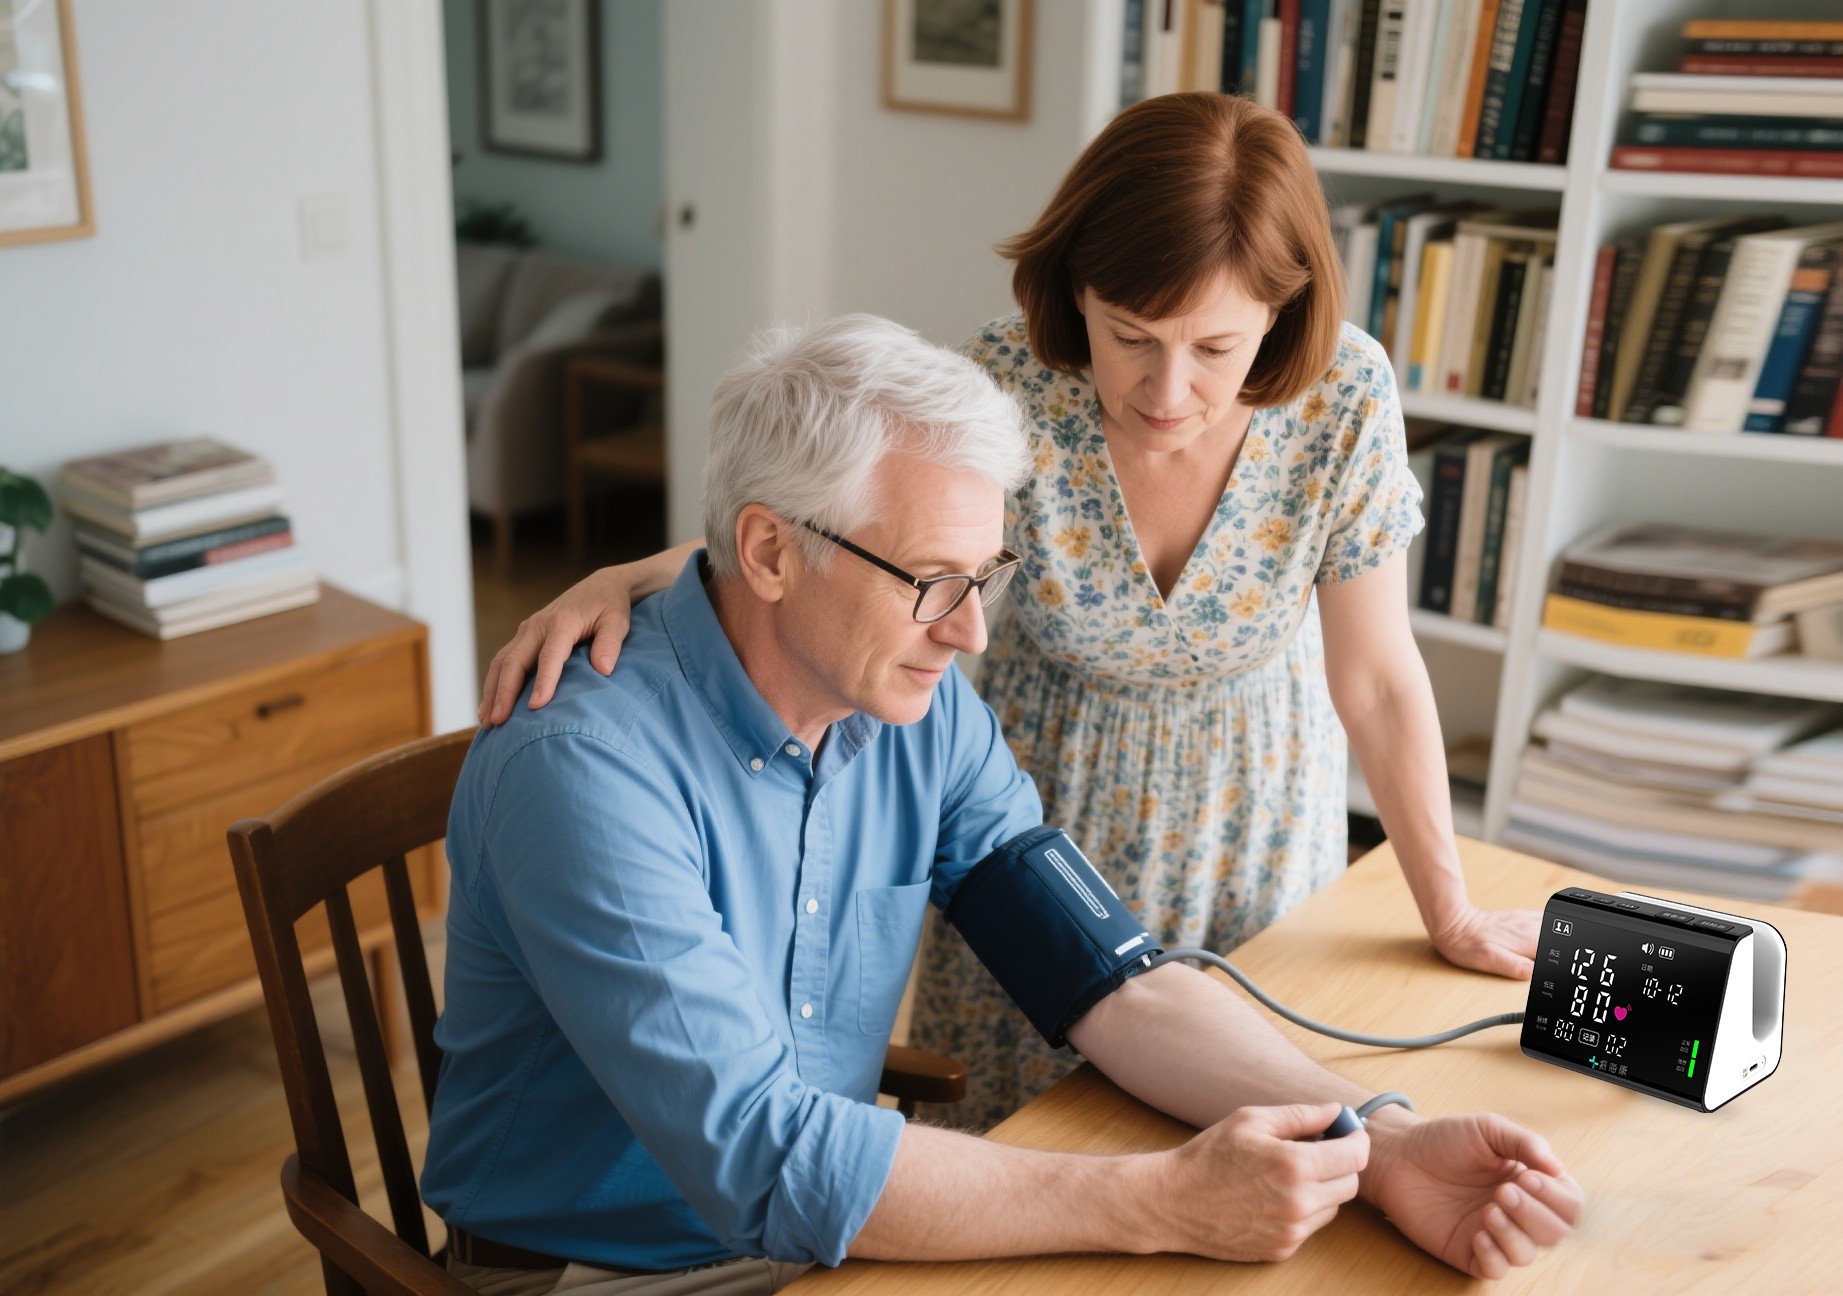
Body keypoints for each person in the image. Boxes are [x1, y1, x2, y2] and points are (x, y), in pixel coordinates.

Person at [426, 314, 1580, 1294]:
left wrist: (1377, 1140)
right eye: (933, 581)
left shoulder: (910, 707)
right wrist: (1163, 1201)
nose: (971, 631)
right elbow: (767, 1158)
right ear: (769, 551)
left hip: (821, 1232)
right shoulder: (580, 772)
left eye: (985, 578)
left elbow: (1108, 980)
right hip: (604, 1271)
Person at [476, 93, 1542, 1128]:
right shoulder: (1012, 386)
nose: (1168, 389)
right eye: (1131, 336)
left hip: (1250, 826)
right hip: (1035, 806)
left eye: (1215, 349)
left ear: (1280, 313)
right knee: (1035, 1125)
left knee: (1254, 1097)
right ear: (1076, 292)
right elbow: (837, 526)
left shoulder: (1342, 395)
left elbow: (1378, 676)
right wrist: (628, 575)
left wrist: (1443, 912)